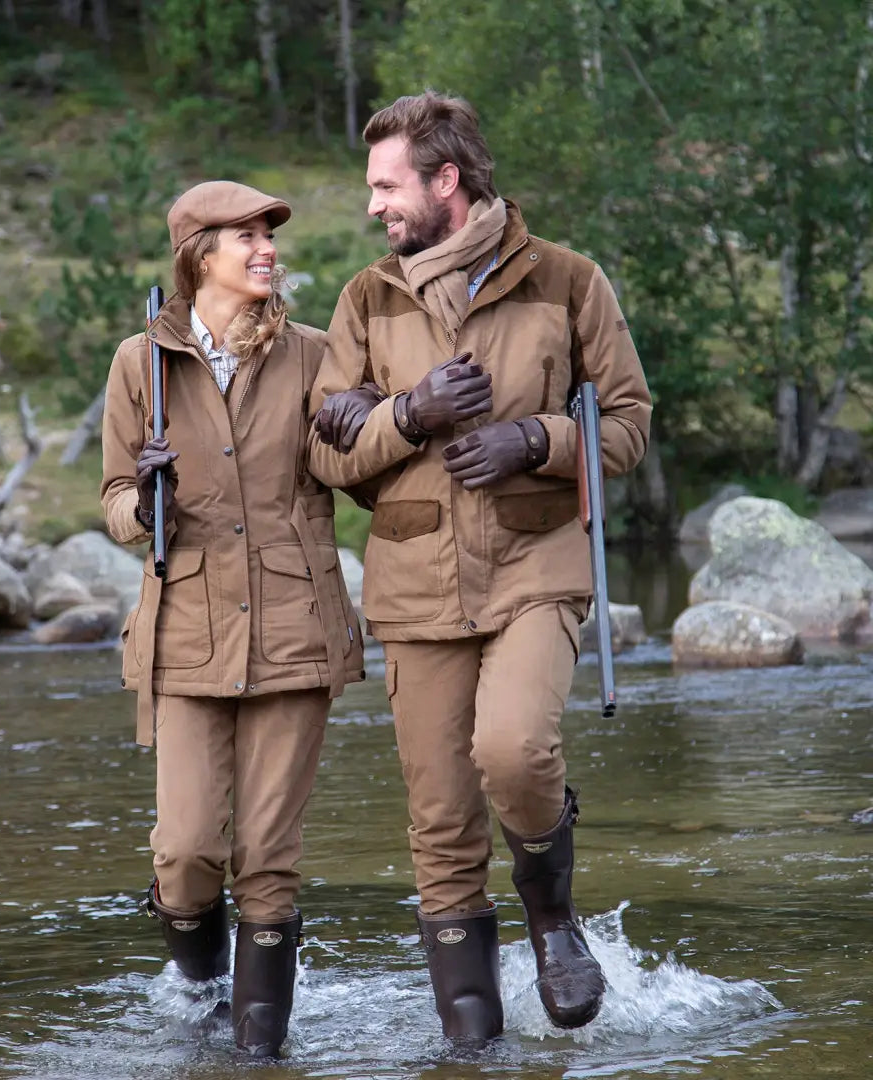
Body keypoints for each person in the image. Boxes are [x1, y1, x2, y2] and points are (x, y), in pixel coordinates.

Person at [308, 92, 651, 1041]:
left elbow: (625, 429)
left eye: (387, 185)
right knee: (441, 823)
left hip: (538, 562)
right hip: (414, 583)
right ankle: (472, 1047)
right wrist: (405, 416)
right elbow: (326, 456)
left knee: (513, 749)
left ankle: (553, 923)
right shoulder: (364, 300)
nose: (375, 205)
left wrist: (531, 440)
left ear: (444, 179)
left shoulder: (570, 281)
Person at [101, 180, 365, 1057]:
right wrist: (144, 498)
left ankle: (258, 1052)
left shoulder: (318, 353)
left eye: (268, 235)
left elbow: (348, 468)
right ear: (197, 254)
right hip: (184, 633)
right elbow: (109, 504)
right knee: (184, 855)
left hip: (296, 625)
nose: (265, 249)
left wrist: (380, 419)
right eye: (244, 236)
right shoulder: (139, 364)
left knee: (268, 860)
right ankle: (202, 985)